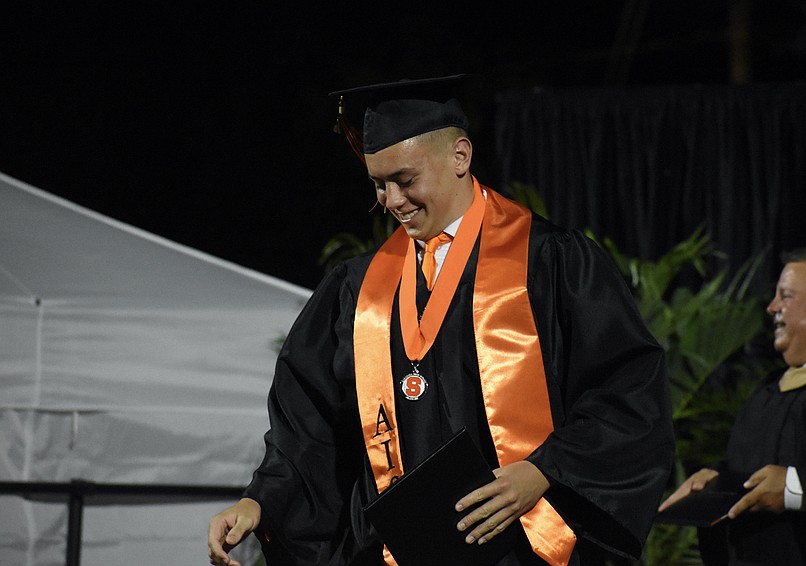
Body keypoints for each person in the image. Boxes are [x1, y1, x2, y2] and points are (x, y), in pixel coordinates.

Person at [208, 74, 675, 566]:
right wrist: (260, 500)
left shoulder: (551, 263)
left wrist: (542, 472)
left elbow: (626, 392)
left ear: (460, 157)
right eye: (378, 184)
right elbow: (310, 421)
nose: (390, 200)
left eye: (405, 180)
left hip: (524, 549)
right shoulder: (357, 290)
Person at [658, 244, 806, 566]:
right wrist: (716, 480)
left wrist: (794, 487)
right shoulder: (770, 389)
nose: (771, 307)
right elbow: (759, 463)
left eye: (786, 296)